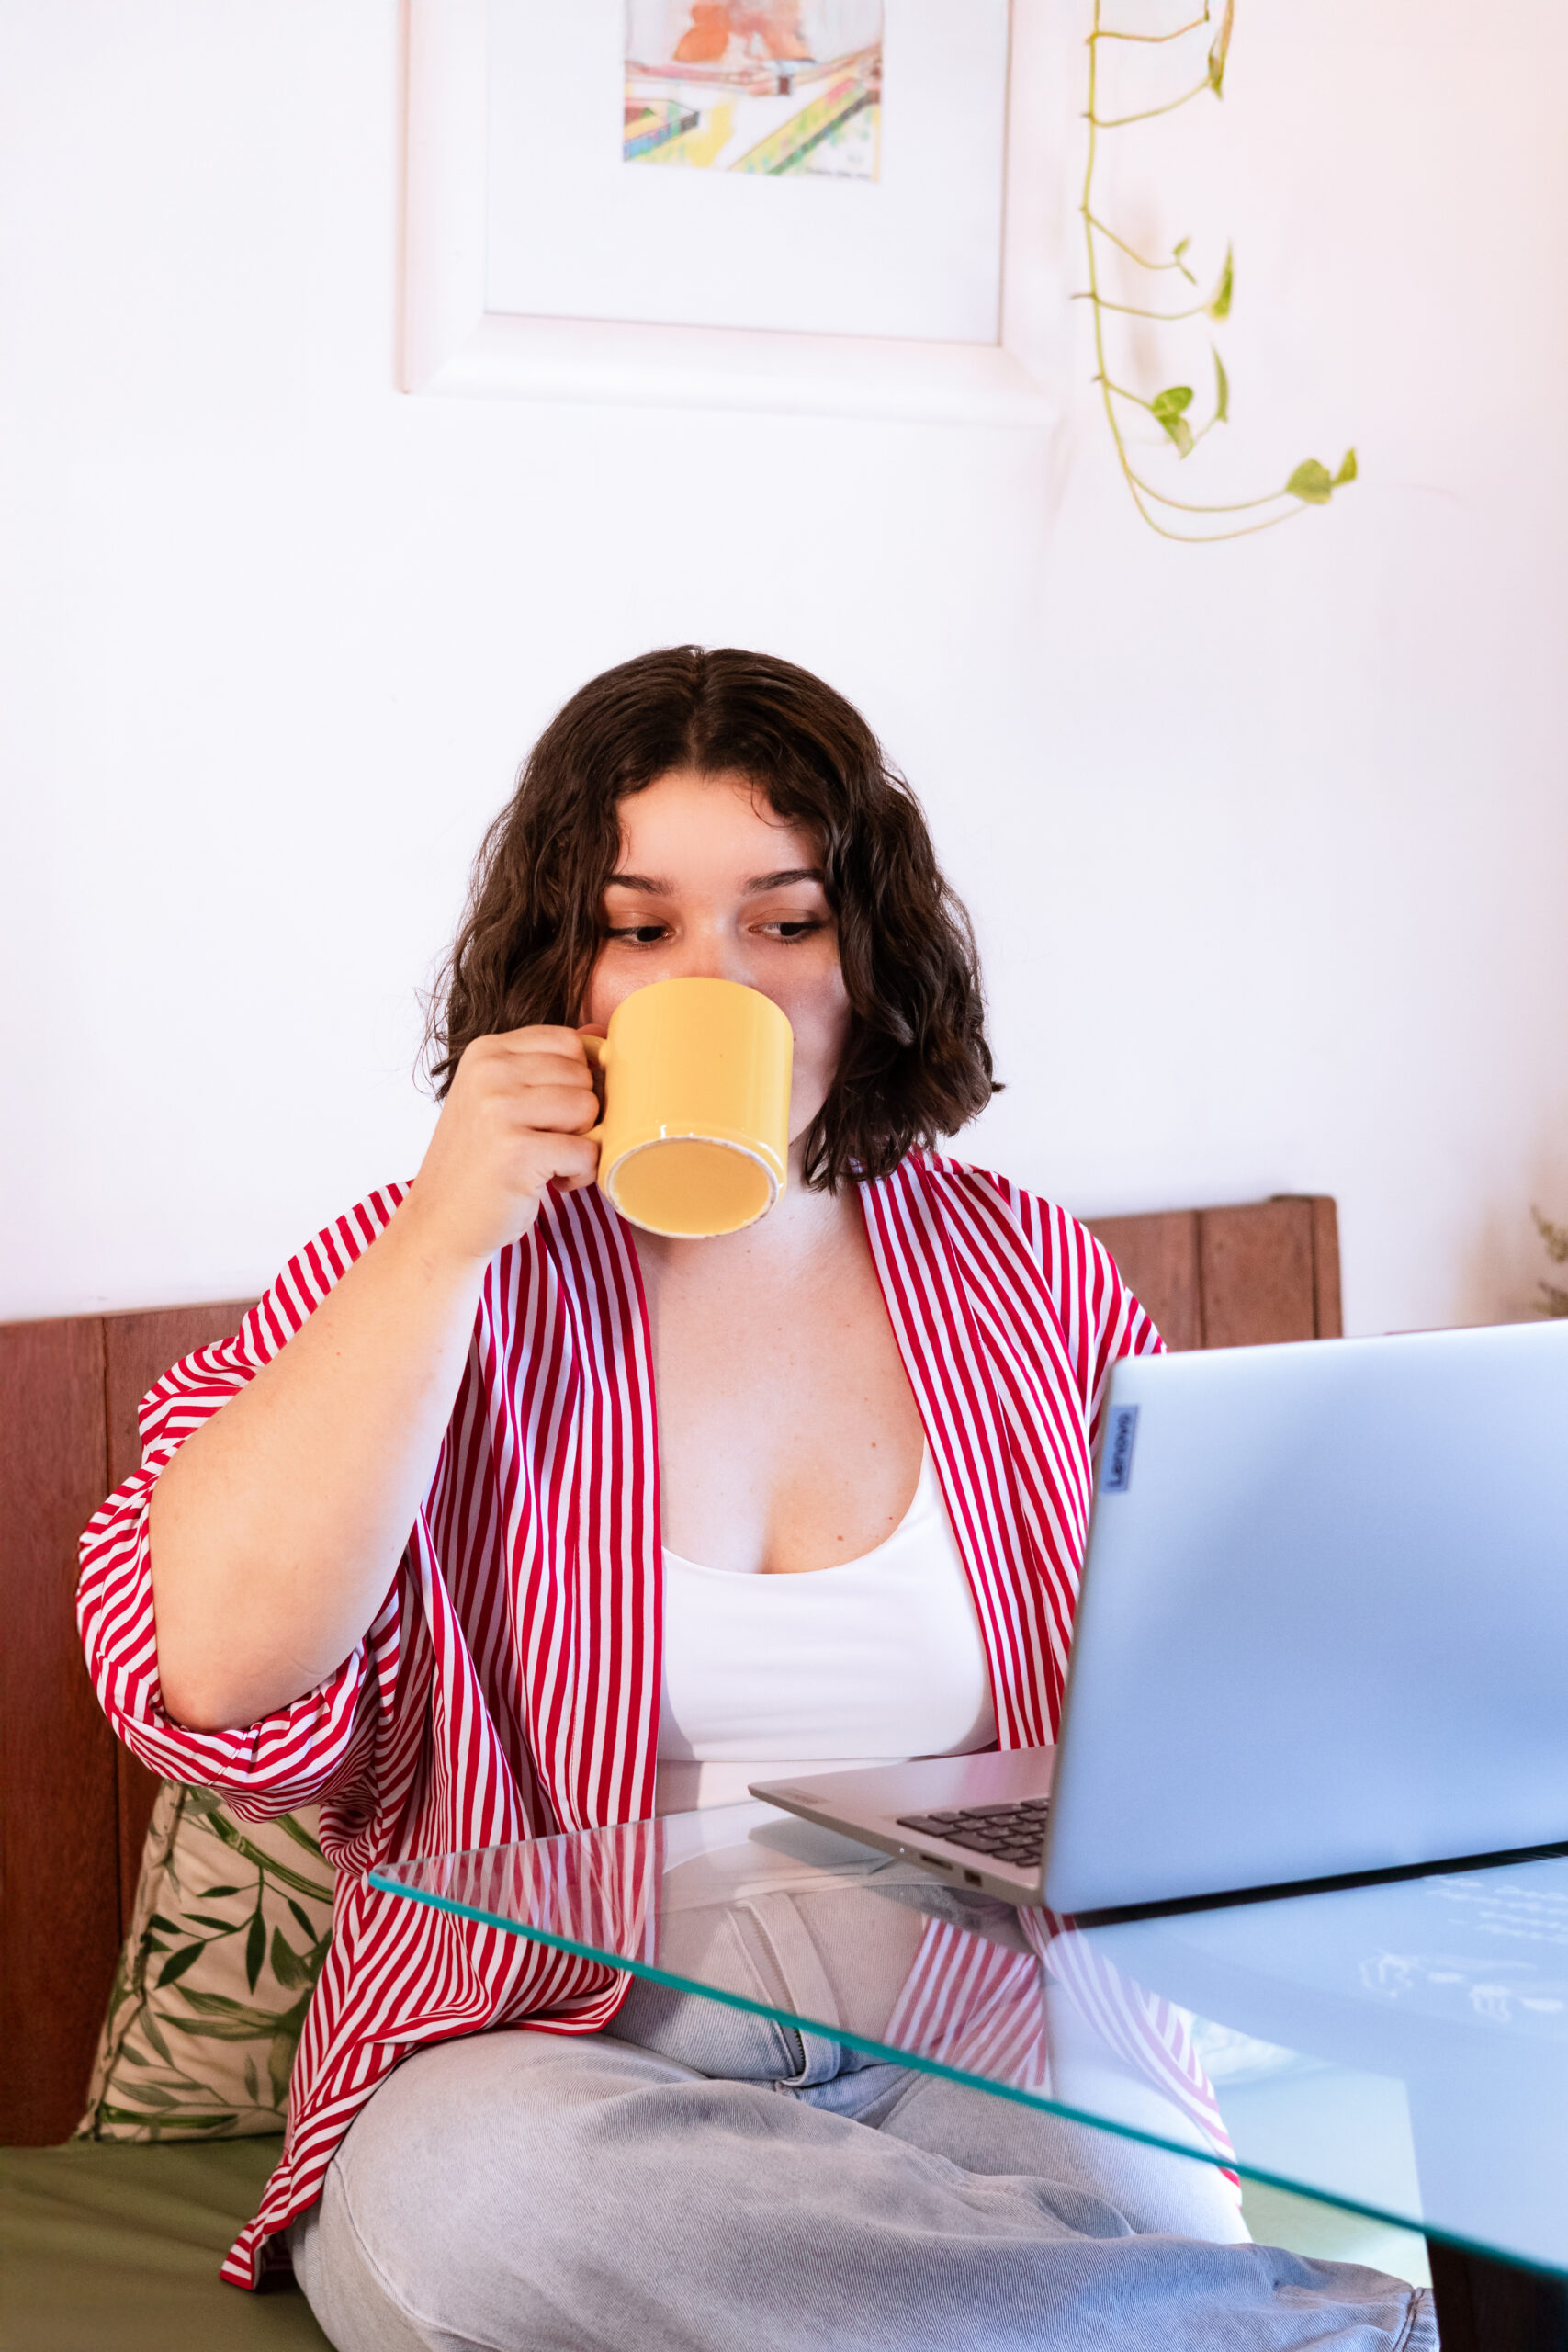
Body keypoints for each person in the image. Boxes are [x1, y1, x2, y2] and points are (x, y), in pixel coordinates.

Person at [79, 648, 1434, 2351]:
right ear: (560, 970)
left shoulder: (1026, 1275)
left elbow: (1197, 1689)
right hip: (551, 2053)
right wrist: (441, 1240)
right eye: (639, 929)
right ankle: (1300, 2335)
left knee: (1143, 2209)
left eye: (783, 922)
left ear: (867, 955)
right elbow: (212, 1675)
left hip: (976, 2028)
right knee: (488, 2210)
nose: (712, 982)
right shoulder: (422, 1270)